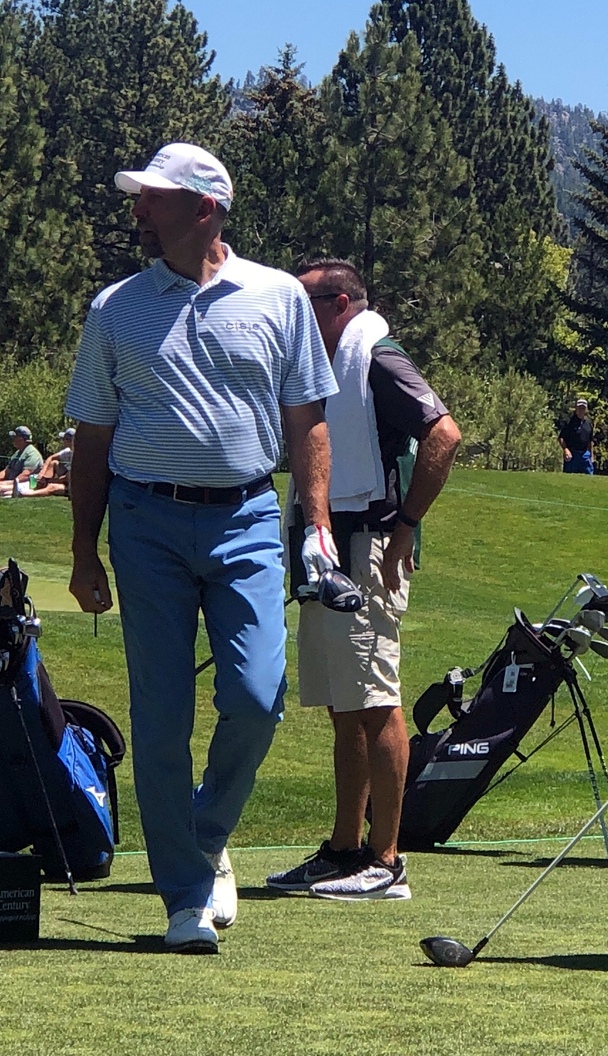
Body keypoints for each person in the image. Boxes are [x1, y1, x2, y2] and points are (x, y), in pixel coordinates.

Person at [64, 142, 338, 954]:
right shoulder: (115, 307)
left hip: (248, 516)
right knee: (160, 715)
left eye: (153, 198)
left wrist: (315, 522)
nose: (138, 210)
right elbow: (92, 434)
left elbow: (307, 419)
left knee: (257, 698)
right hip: (145, 521)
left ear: (203, 210)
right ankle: (185, 895)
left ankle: (202, 834)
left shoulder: (279, 296)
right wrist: (85, 551)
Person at [264, 257, 460, 901]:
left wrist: (407, 523)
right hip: (331, 548)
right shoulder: (323, 363)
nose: (295, 312)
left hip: (367, 545)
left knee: (377, 702)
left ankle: (387, 859)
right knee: (345, 708)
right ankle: (345, 850)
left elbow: (444, 432)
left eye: (307, 301)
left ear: (342, 303)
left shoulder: (375, 355)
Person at [17, 427, 73, 497]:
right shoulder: (68, 451)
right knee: (54, 463)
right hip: (67, 478)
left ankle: (25, 494)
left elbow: (69, 476)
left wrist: (52, 481)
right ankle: (39, 483)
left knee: (52, 487)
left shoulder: (80, 455)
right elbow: (51, 458)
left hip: (74, 485)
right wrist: (42, 474)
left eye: (64, 439)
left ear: (69, 441)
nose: (62, 441)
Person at [0, 426, 42, 496]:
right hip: (14, 483)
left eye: (14, 437)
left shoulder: (32, 453)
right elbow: (7, 471)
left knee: (0, 487)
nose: (12, 440)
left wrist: (8, 483)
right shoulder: (17, 453)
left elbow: (26, 475)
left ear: (20, 439)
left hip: (30, 484)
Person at [559, 399, 594, 474]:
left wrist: (591, 456)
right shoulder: (569, 422)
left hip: (585, 454)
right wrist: (565, 450)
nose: (581, 410)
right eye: (579, 408)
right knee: (570, 478)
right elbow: (561, 438)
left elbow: (590, 441)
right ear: (576, 408)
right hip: (572, 454)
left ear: (586, 409)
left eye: (583, 408)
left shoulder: (589, 422)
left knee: (589, 476)